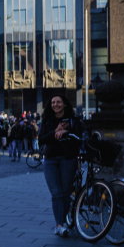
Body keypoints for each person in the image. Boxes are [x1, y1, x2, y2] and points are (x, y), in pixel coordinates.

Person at [38, 94, 85, 236]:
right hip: (50, 159)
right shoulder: (46, 120)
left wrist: (66, 132)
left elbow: (80, 139)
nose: (55, 104)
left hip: (68, 159)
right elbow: (41, 140)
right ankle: (59, 225)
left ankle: (62, 220)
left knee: (65, 193)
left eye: (58, 102)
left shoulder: (73, 120)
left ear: (65, 104)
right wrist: (55, 132)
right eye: (53, 102)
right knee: (56, 193)